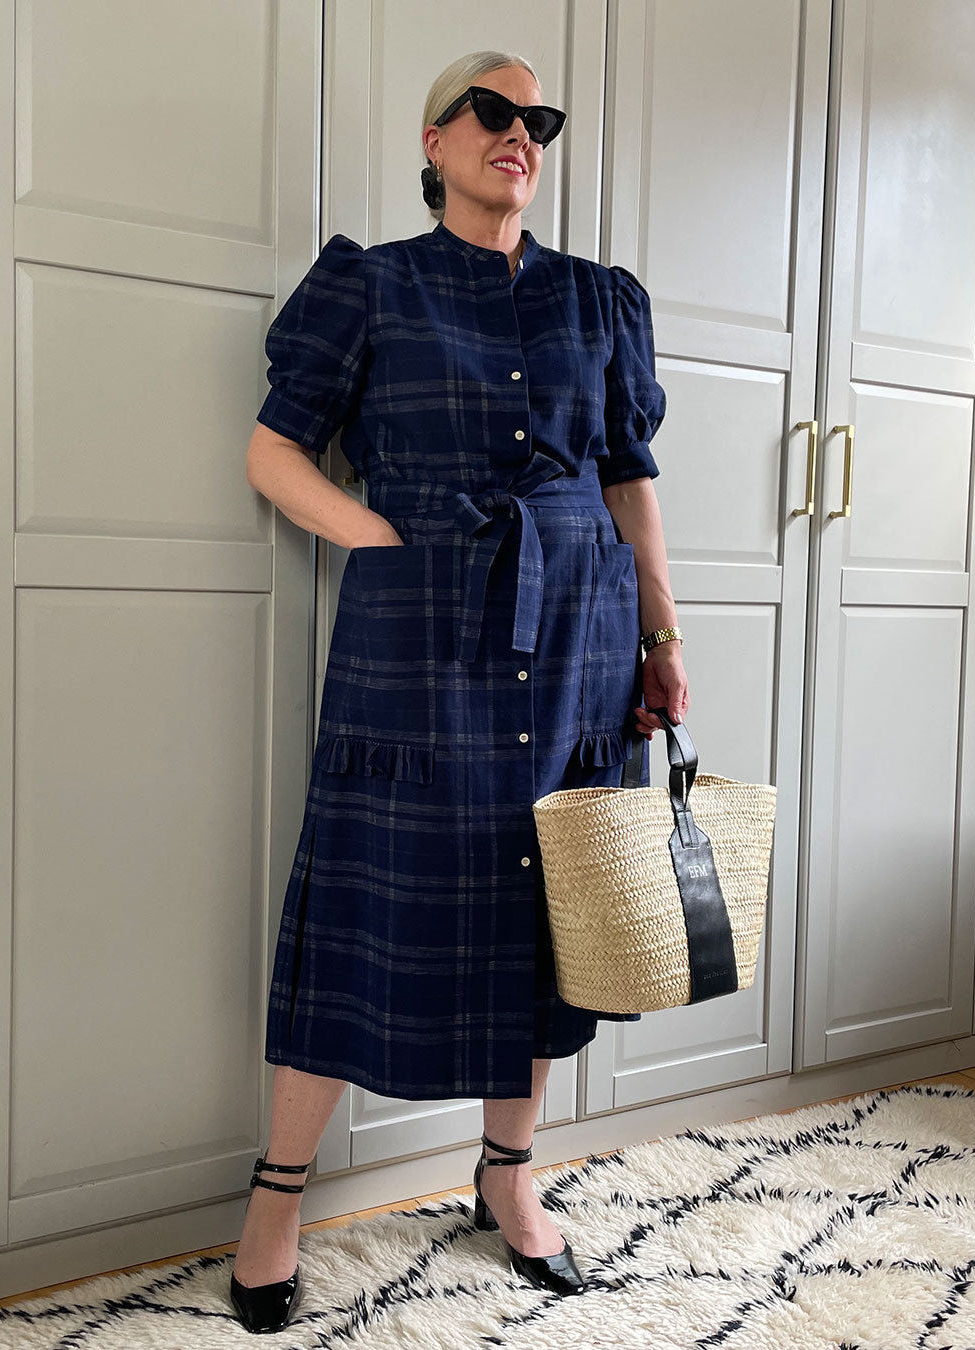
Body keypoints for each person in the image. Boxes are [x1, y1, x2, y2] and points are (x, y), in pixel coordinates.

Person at [229, 49, 689, 1333]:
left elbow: (627, 479)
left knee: (556, 903)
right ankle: (277, 1196)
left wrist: (662, 636)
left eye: (536, 119)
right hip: (421, 630)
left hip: (584, 626)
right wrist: (380, 540)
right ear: (432, 141)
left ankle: (509, 1175)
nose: (520, 133)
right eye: (492, 111)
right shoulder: (371, 285)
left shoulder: (601, 300)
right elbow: (275, 448)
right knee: (368, 891)